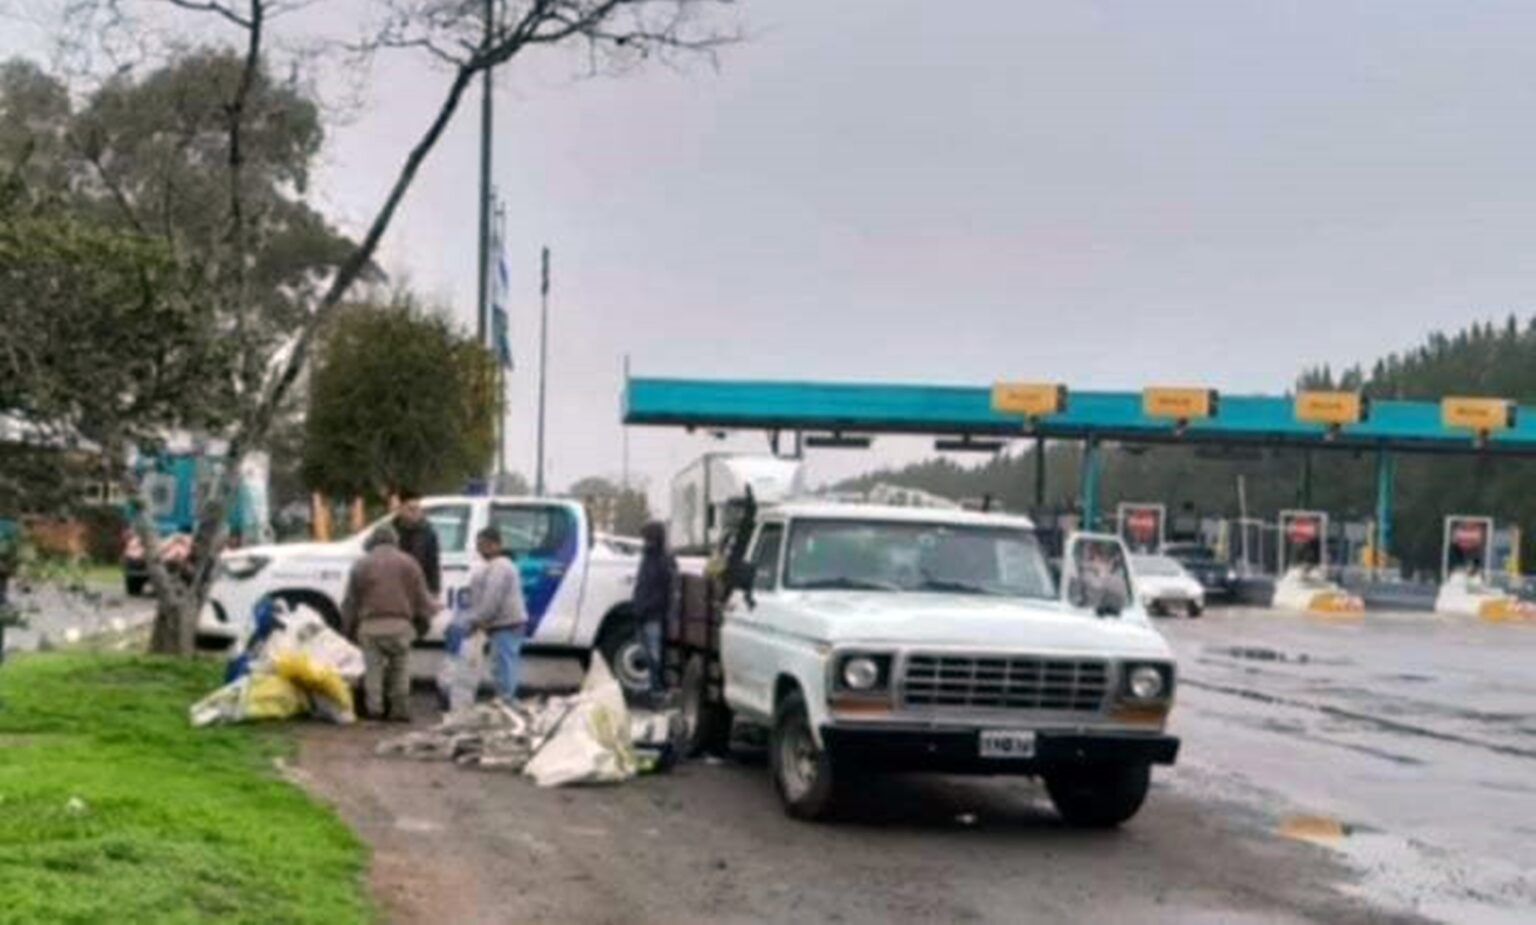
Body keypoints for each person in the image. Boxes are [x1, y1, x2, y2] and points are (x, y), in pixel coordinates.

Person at [341, 524, 438, 722]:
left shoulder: (361, 564)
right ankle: (399, 709)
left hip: (369, 627)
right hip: (399, 627)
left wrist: (347, 629)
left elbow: (350, 602)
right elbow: (422, 598)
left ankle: (374, 710)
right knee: (400, 670)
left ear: (373, 541)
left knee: (373, 671)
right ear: (395, 540)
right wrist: (427, 617)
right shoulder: (409, 563)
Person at [460, 527, 528, 703]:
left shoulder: (500, 567)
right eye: (478, 545)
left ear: (496, 545)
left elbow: (492, 599)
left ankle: (506, 702)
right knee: (504, 665)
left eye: (483, 545)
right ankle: (506, 700)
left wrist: (476, 620)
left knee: (503, 667)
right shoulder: (497, 566)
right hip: (506, 624)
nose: (480, 549)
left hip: (506, 625)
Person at [631, 521, 677, 695]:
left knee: (653, 653)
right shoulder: (649, 557)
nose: (644, 541)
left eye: (646, 537)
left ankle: (657, 688)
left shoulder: (662, 560)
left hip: (653, 613)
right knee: (646, 652)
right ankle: (653, 685)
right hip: (644, 611)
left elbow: (665, 589)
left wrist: (645, 606)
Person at [393, 490, 441, 598]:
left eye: (418, 509)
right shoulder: (392, 532)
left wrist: (434, 591)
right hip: (396, 588)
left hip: (419, 588)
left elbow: (433, 564)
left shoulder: (428, 533)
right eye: (411, 509)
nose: (415, 513)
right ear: (401, 509)